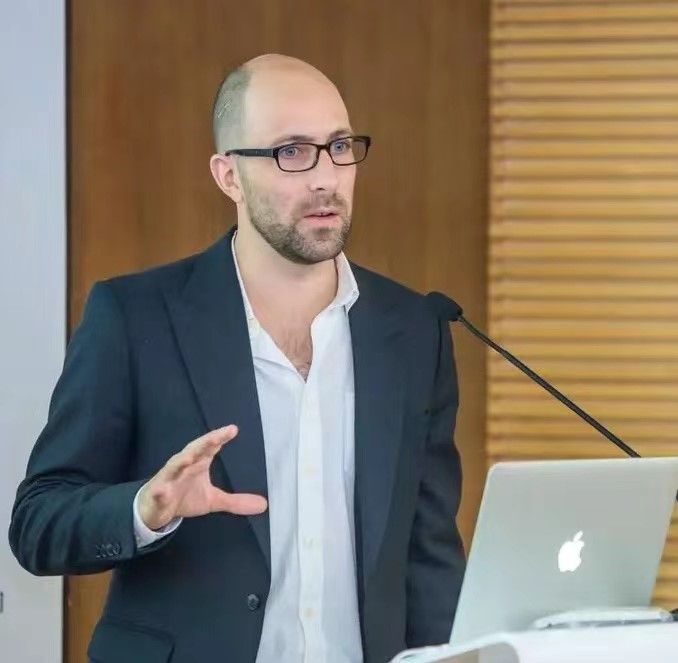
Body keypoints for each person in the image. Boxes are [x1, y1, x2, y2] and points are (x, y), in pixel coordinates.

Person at [9, 54, 465, 663]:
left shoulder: (413, 329)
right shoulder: (135, 316)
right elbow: (38, 522)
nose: (325, 177)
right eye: (291, 152)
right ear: (229, 176)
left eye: (339, 147)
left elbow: (429, 555)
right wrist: (145, 509)